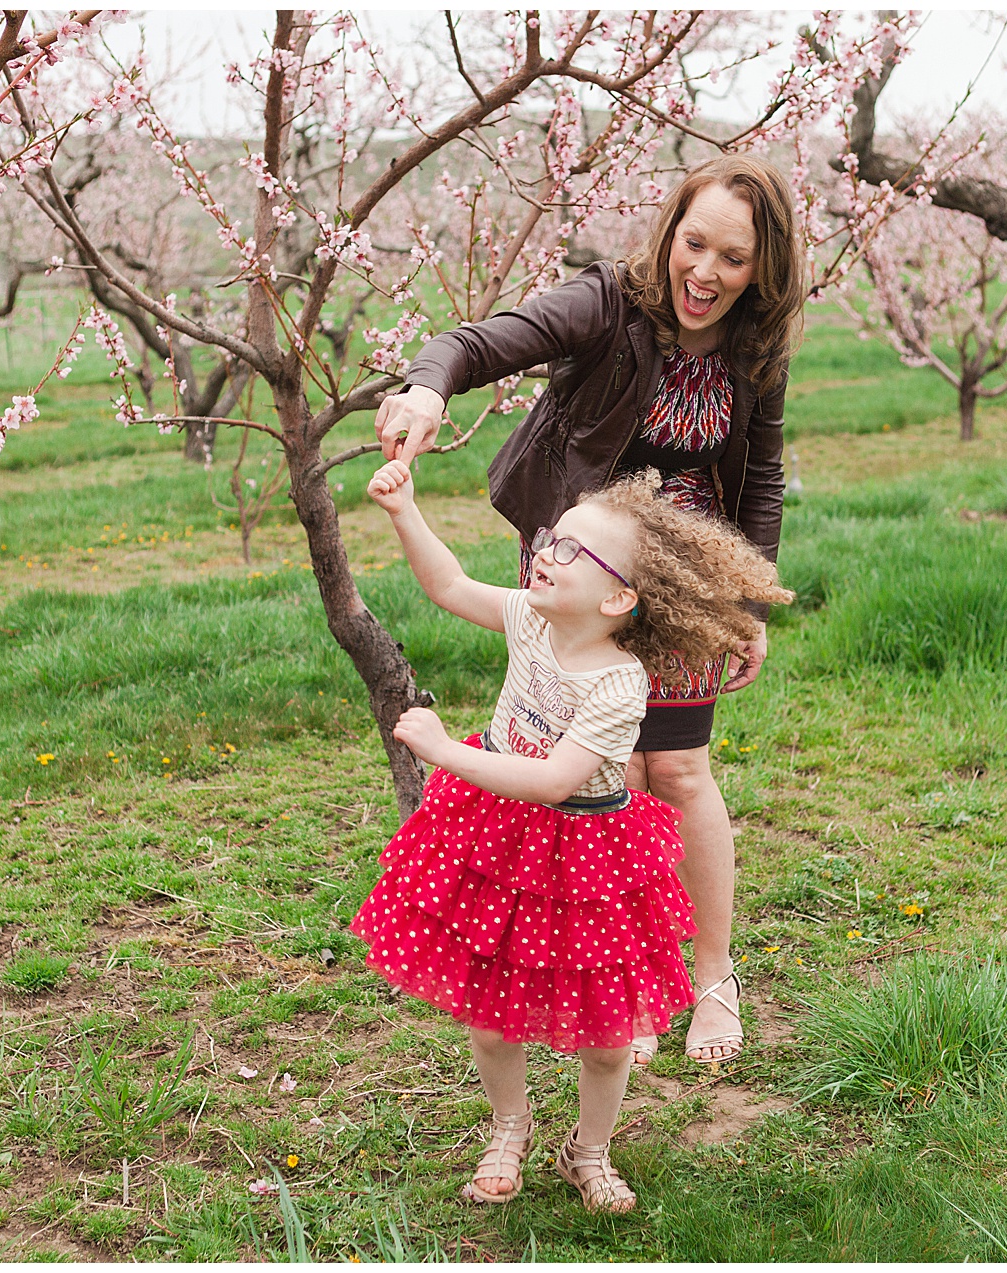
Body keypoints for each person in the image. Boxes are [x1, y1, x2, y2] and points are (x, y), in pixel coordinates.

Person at [374, 154, 804, 1065]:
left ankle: (714, 973)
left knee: (680, 773)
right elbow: (488, 338)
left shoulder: (757, 348)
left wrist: (751, 599)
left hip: (683, 588)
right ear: (670, 231)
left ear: (761, 268)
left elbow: (759, 474)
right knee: (611, 787)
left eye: (733, 258)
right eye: (695, 244)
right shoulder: (610, 303)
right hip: (581, 576)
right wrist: (426, 384)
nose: (707, 273)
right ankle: (634, 987)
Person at [350, 462, 792, 1212]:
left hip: (588, 853)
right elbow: (451, 586)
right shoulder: (531, 615)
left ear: (619, 597)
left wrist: (440, 748)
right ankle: (509, 1126)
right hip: (501, 837)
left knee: (609, 1034)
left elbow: (556, 780)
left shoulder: (620, 685)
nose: (546, 555)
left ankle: (587, 1148)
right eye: (553, 540)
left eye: (571, 552)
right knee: (492, 1014)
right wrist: (404, 510)